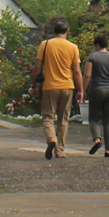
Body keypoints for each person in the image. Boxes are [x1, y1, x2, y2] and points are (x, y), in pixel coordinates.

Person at [34, 19, 82, 159]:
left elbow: (37, 67)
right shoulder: (73, 47)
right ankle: (60, 150)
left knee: (48, 117)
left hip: (49, 86)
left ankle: (51, 139)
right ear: (67, 32)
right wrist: (81, 90)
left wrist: (34, 84)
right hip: (67, 86)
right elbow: (77, 71)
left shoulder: (46, 44)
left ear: (54, 32)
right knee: (63, 119)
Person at [80, 35, 109, 157]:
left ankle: (97, 139)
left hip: (96, 90)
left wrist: (83, 91)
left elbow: (87, 75)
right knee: (108, 121)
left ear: (97, 45)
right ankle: (108, 150)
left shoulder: (92, 57)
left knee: (94, 118)